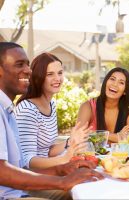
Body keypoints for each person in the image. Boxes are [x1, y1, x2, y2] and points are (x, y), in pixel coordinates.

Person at [0, 42, 103, 199]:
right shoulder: (23, 109)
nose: (28, 70)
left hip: (17, 189)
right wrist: (62, 177)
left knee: (86, 189)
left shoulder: (8, 110)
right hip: (10, 195)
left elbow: (21, 166)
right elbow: (12, 168)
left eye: (28, 65)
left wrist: (62, 168)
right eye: (19, 64)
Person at [15, 52, 89, 170]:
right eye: (50, 74)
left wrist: (70, 141)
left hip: (50, 170)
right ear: (38, 77)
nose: (57, 78)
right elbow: (28, 161)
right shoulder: (27, 110)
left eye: (60, 73)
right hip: (35, 178)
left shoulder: (51, 104)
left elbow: (48, 150)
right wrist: (65, 158)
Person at [77, 67, 129, 143]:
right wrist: (118, 137)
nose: (115, 84)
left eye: (121, 82)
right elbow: (78, 136)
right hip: (90, 155)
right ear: (105, 82)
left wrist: (93, 134)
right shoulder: (88, 107)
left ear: (125, 91)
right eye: (112, 79)